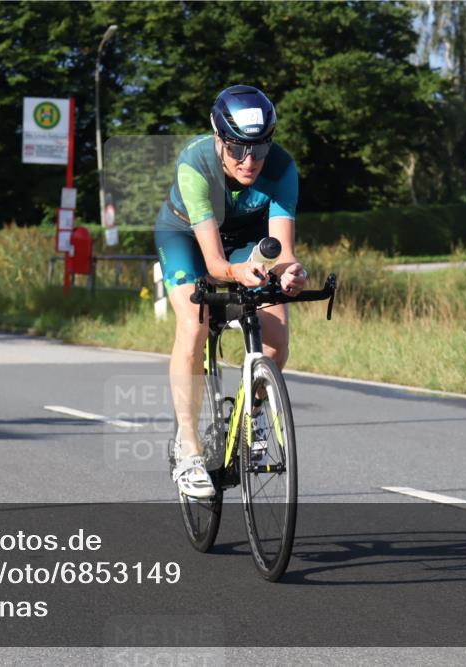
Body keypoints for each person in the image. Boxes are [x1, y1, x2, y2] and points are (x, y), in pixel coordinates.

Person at [154, 85, 308, 498]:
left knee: (276, 337)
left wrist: (292, 274)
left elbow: (283, 253)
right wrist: (237, 275)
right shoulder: (195, 164)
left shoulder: (281, 168)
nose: (250, 161)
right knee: (195, 321)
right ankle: (187, 449)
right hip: (188, 238)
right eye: (238, 149)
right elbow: (216, 266)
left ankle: (247, 417)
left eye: (259, 150)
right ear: (219, 138)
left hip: (245, 240)